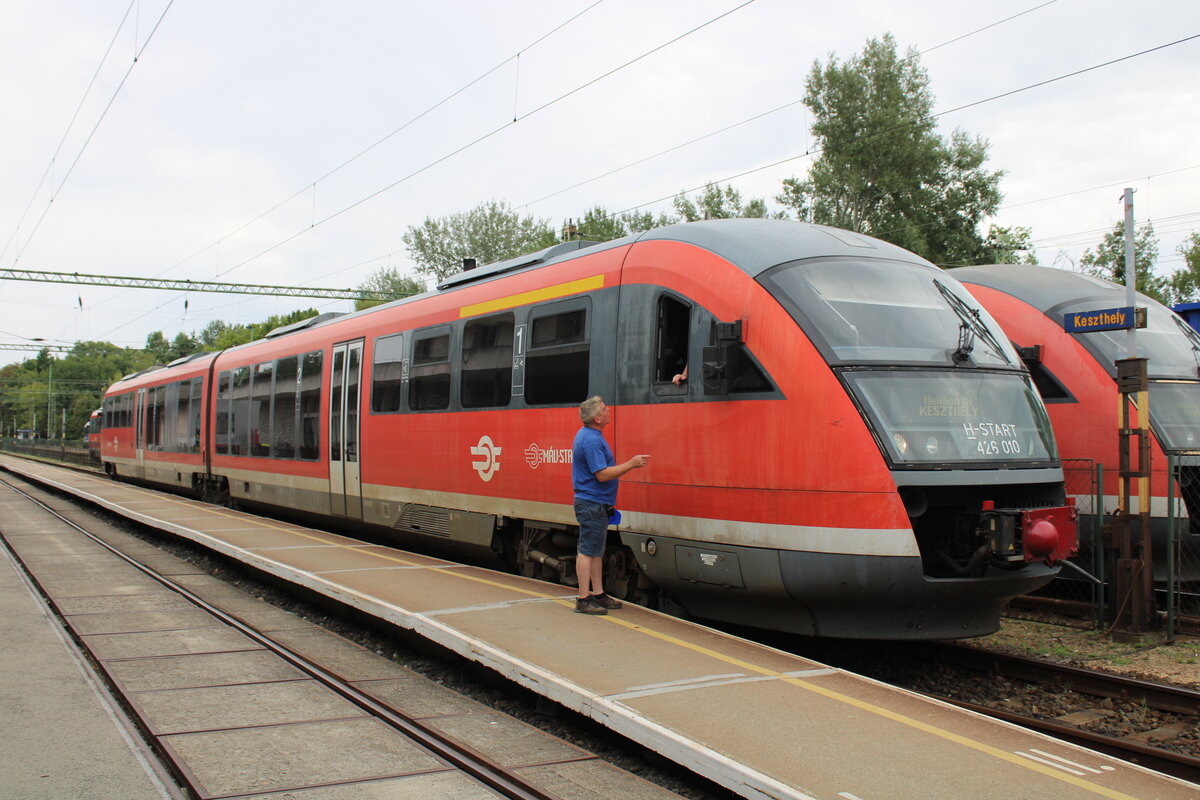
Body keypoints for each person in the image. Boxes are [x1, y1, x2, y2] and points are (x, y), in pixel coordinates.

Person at [571, 395, 650, 615]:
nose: (609, 411)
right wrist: (631, 464)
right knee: (587, 551)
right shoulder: (592, 440)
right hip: (592, 502)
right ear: (597, 418)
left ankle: (598, 594)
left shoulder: (589, 435)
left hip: (596, 502)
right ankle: (583, 599)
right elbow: (602, 475)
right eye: (605, 409)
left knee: (595, 550)